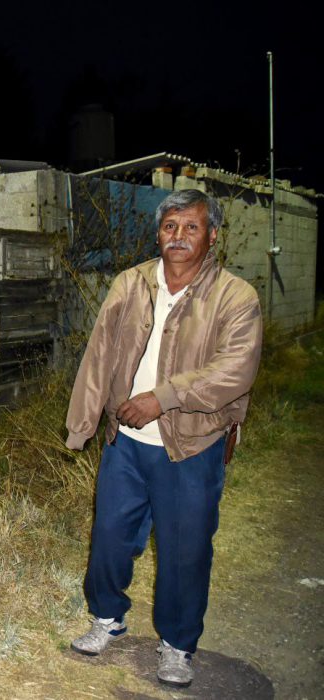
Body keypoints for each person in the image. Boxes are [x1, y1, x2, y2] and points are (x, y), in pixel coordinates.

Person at [65, 189, 262, 688]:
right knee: (109, 537)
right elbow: (99, 355)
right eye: (170, 227)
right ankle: (105, 618)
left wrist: (163, 397)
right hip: (125, 443)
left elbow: (234, 371)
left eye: (191, 227)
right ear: (159, 233)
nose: (178, 236)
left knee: (185, 549)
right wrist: (83, 423)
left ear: (212, 235)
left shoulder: (236, 297)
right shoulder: (130, 284)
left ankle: (177, 645)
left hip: (192, 445)